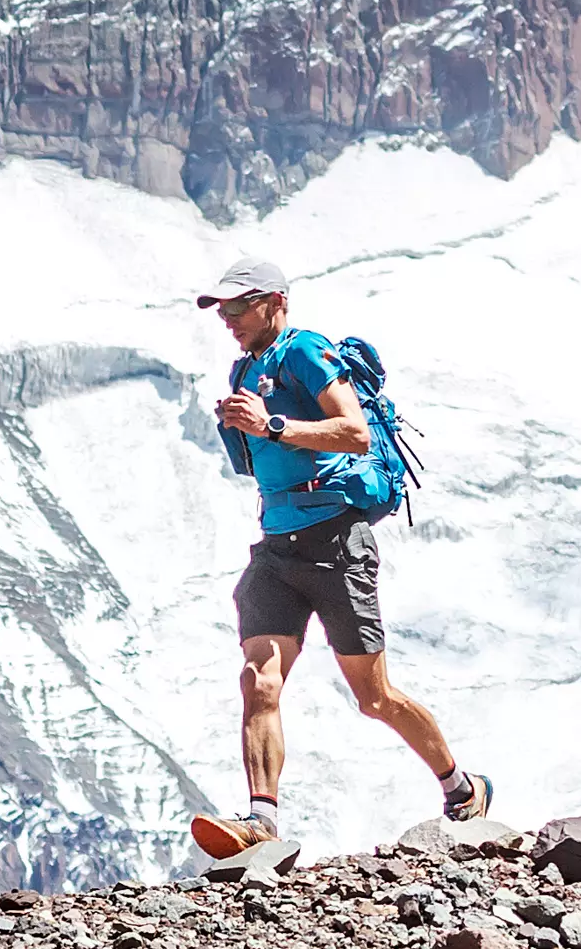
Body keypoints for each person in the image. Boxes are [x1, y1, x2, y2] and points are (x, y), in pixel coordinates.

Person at [189, 257, 492, 858]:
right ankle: (261, 820)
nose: (228, 319)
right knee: (258, 678)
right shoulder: (244, 367)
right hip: (276, 546)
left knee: (373, 698)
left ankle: (462, 785)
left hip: (334, 543)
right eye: (222, 310)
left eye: (239, 306)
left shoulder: (306, 351)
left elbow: (354, 432)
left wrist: (272, 426)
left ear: (276, 301)